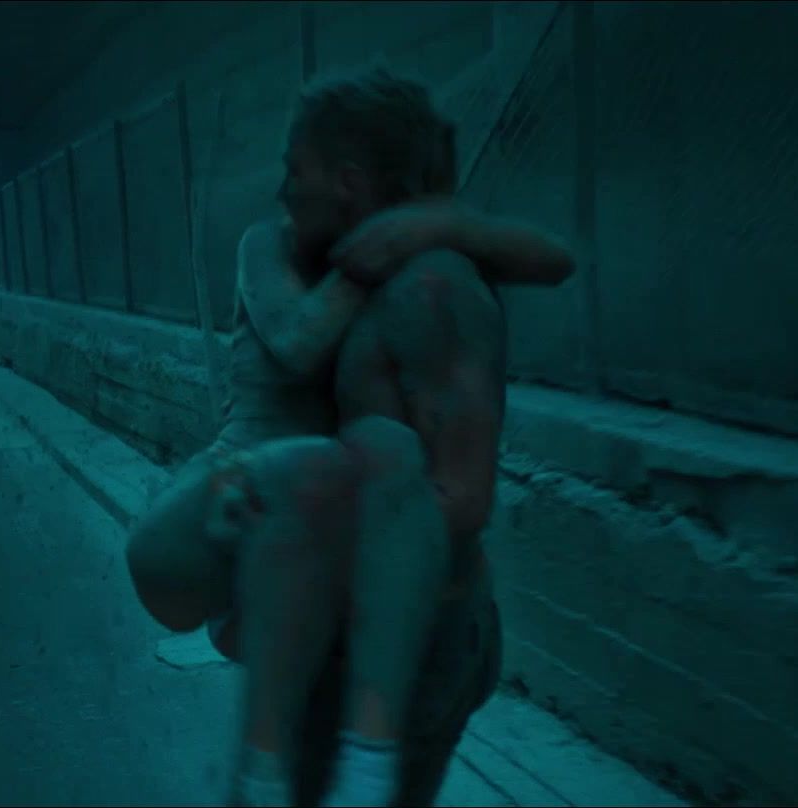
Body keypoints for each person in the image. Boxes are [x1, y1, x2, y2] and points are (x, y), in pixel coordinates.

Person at [125, 66, 574, 807]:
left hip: (399, 626)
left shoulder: (430, 285)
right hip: (318, 580)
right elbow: (299, 345)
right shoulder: (285, 252)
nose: (282, 189)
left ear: (349, 181)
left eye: (295, 170)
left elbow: (460, 500)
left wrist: (438, 226)